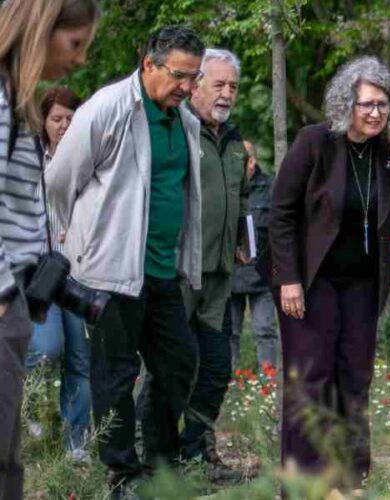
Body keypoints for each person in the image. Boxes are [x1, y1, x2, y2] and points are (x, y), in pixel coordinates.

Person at [46, 25, 204, 498]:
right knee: (114, 376)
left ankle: (158, 461)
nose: (188, 87)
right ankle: (121, 474)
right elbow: (58, 180)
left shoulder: (185, 119)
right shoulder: (107, 108)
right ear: (148, 64)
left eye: (194, 77)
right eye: (180, 75)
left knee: (178, 363)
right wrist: (67, 242)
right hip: (110, 272)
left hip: (160, 270)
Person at [266, 56, 390, 489]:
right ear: (345, 105)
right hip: (311, 282)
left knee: (354, 379)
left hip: (362, 284)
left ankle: (348, 481)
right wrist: (288, 278)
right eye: (366, 104)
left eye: (383, 104)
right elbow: (279, 213)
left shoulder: (385, 150)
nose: (376, 113)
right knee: (311, 381)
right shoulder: (314, 142)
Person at [0, 1, 99, 498]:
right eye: (75, 43)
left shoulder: (16, 100)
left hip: (18, 297)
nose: (80, 59)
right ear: (42, 30)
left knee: (8, 462)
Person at [173, 47, 248, 483]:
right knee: (172, 367)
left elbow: (237, 198)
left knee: (217, 366)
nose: (227, 93)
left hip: (219, 276)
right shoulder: (177, 129)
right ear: (195, 85)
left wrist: (241, 237)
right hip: (179, 273)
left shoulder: (234, 138)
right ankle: (153, 459)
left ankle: (197, 453)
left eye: (233, 86)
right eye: (218, 84)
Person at [25, 87, 90, 462]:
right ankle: (33, 406)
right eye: (57, 119)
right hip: (41, 273)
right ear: (44, 122)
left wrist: (79, 226)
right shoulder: (30, 161)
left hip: (79, 271)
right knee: (47, 349)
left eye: (70, 118)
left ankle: (75, 442)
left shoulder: (87, 159)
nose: (64, 126)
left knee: (79, 359)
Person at [229, 140, 278, 371]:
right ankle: (229, 382)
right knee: (229, 332)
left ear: (252, 162)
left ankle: (267, 385)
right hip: (230, 275)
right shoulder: (224, 187)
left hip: (262, 275)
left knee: (264, 330)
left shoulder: (271, 188)